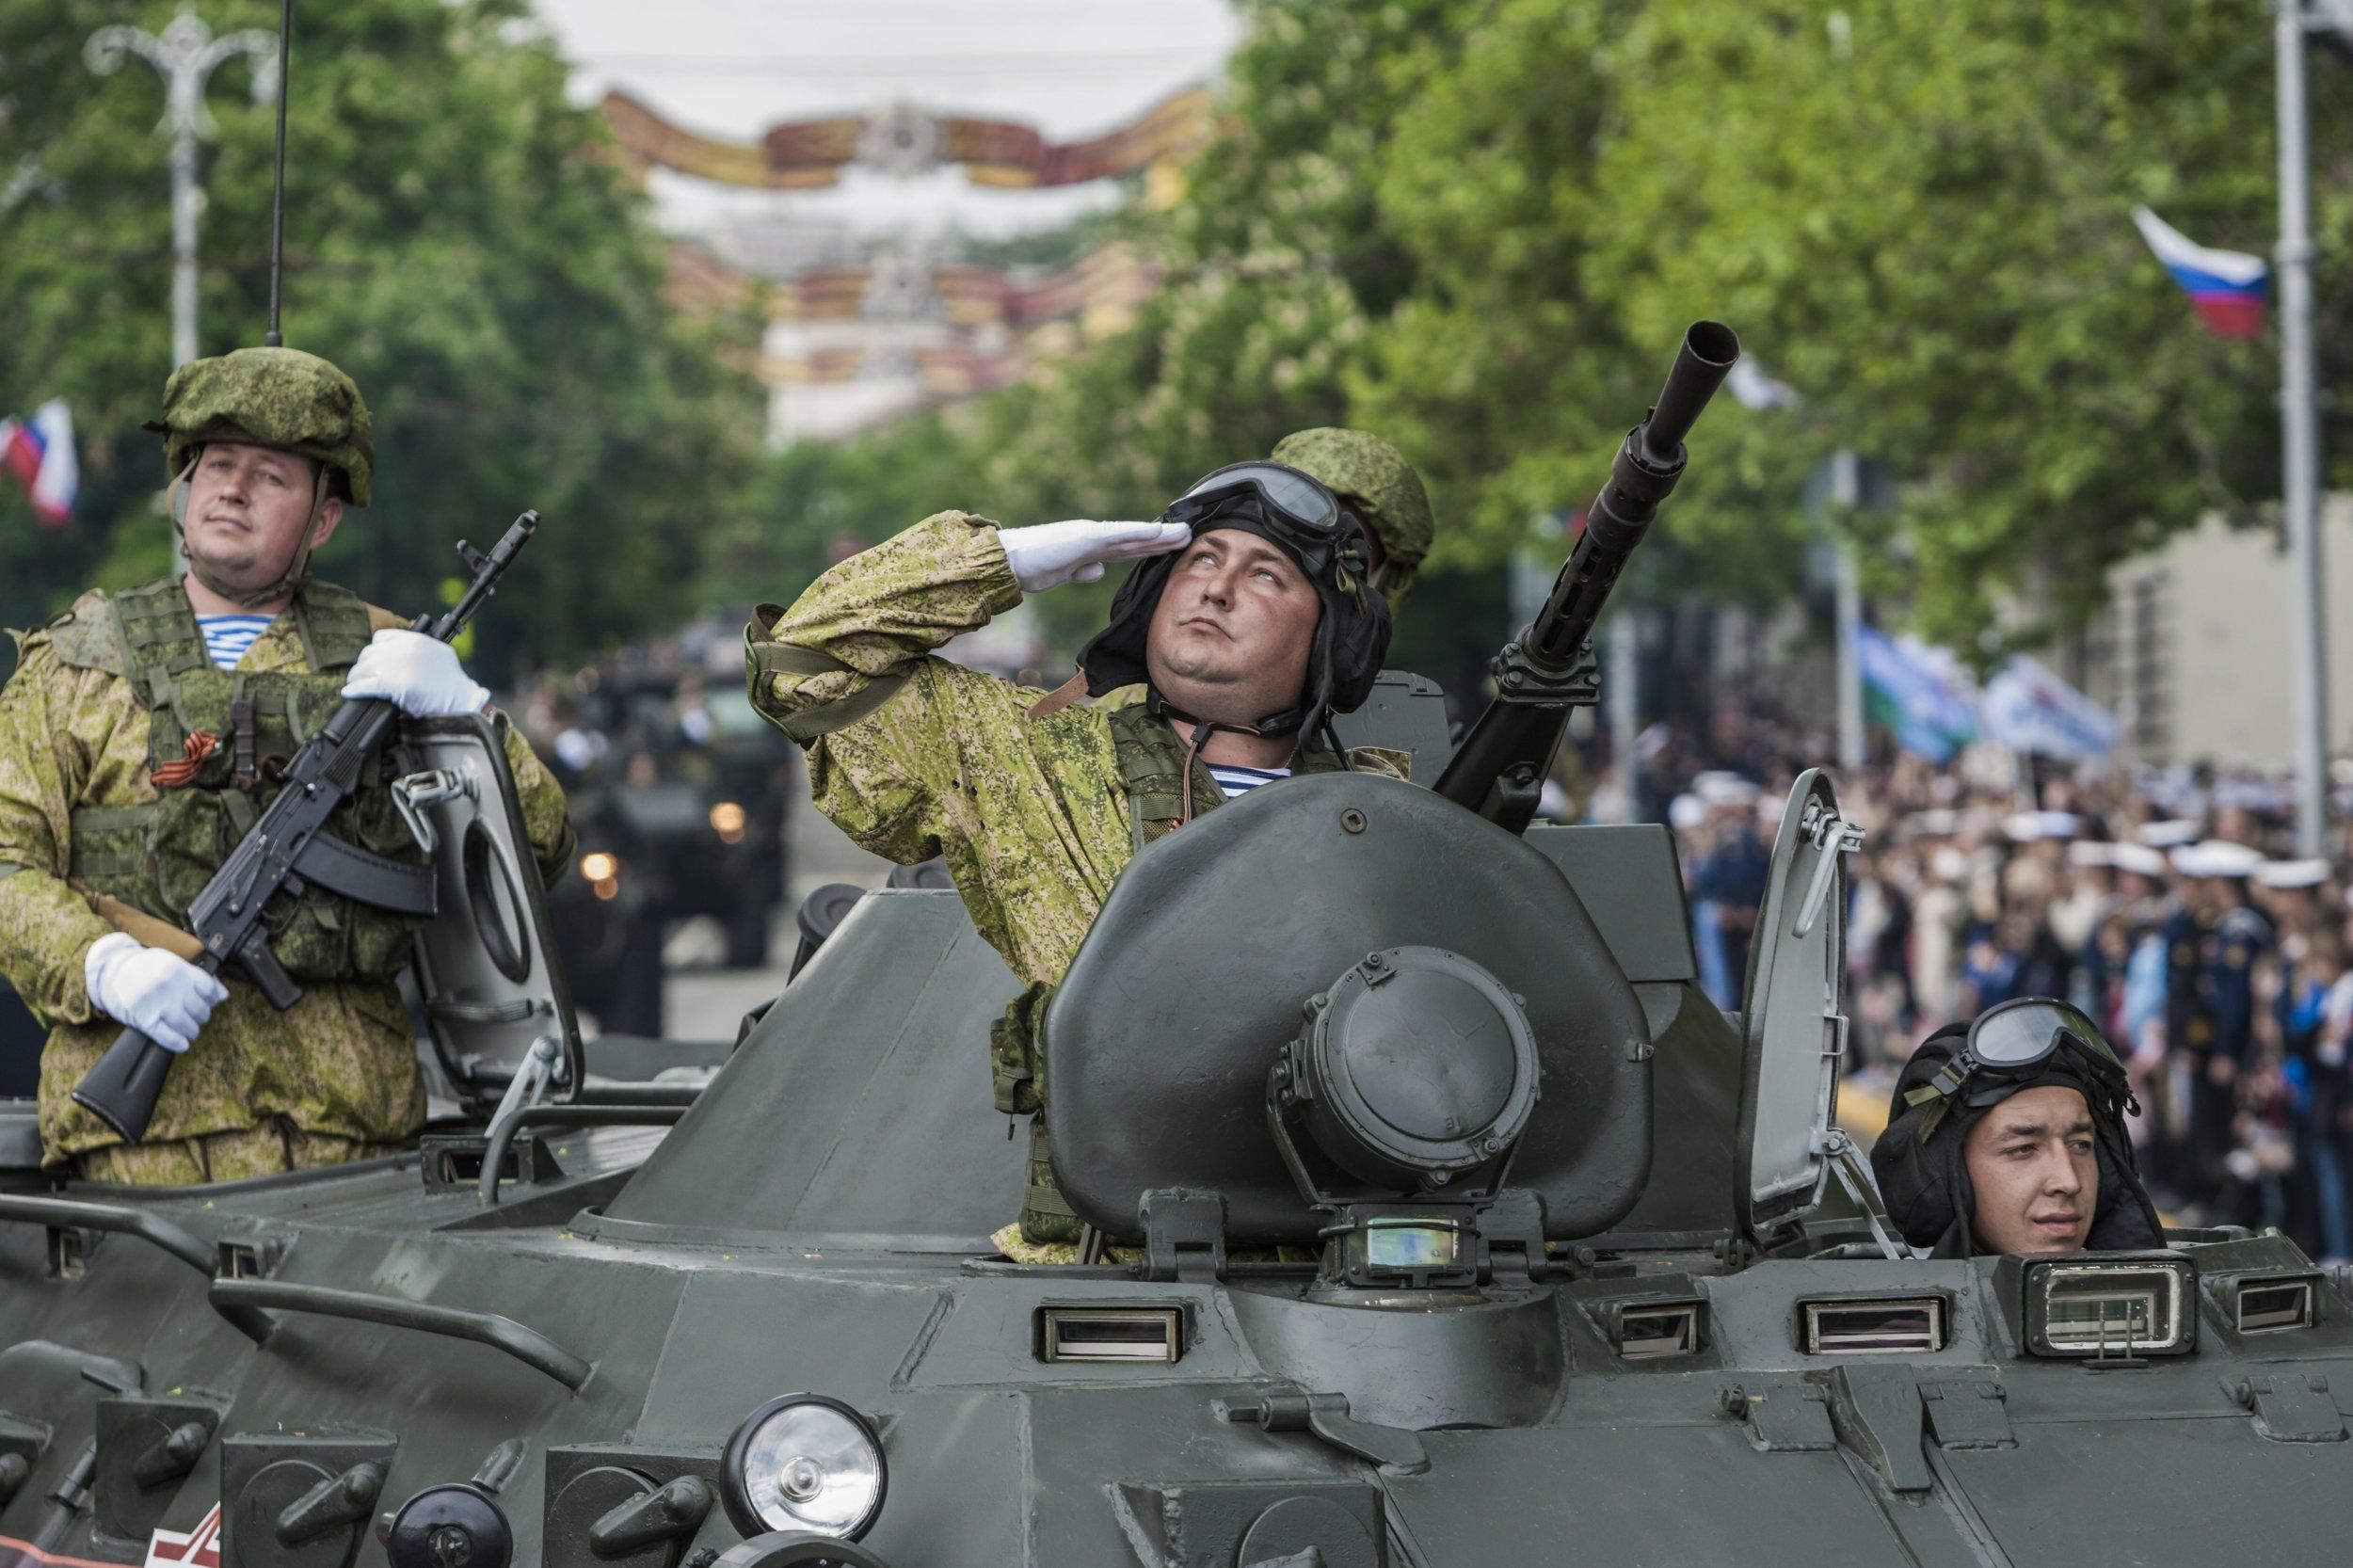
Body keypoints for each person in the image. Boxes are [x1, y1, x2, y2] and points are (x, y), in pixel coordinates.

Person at [747, 431, 1433, 1258]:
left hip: (1353, 1271)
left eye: (1265, 575)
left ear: (1333, 639)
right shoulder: (1034, 760)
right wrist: (1001, 561)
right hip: (1102, 1280)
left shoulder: (1392, 816)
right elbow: (804, 664)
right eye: (1199, 560)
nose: (1216, 590)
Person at [0, 347, 573, 1183]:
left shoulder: (390, 667)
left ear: (324, 519)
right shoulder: (77, 665)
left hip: (350, 1148)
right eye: (217, 465)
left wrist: (469, 716)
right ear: (184, 490)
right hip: (137, 1158)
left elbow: (541, 852)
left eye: (270, 476)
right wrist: (99, 964)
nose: (231, 488)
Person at [1869, 997, 2166, 1257]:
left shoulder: (2173, 1304)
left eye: (2081, 1145)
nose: (2069, 1181)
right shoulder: (1913, 1323)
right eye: (2023, 1149)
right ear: (1943, 1178)